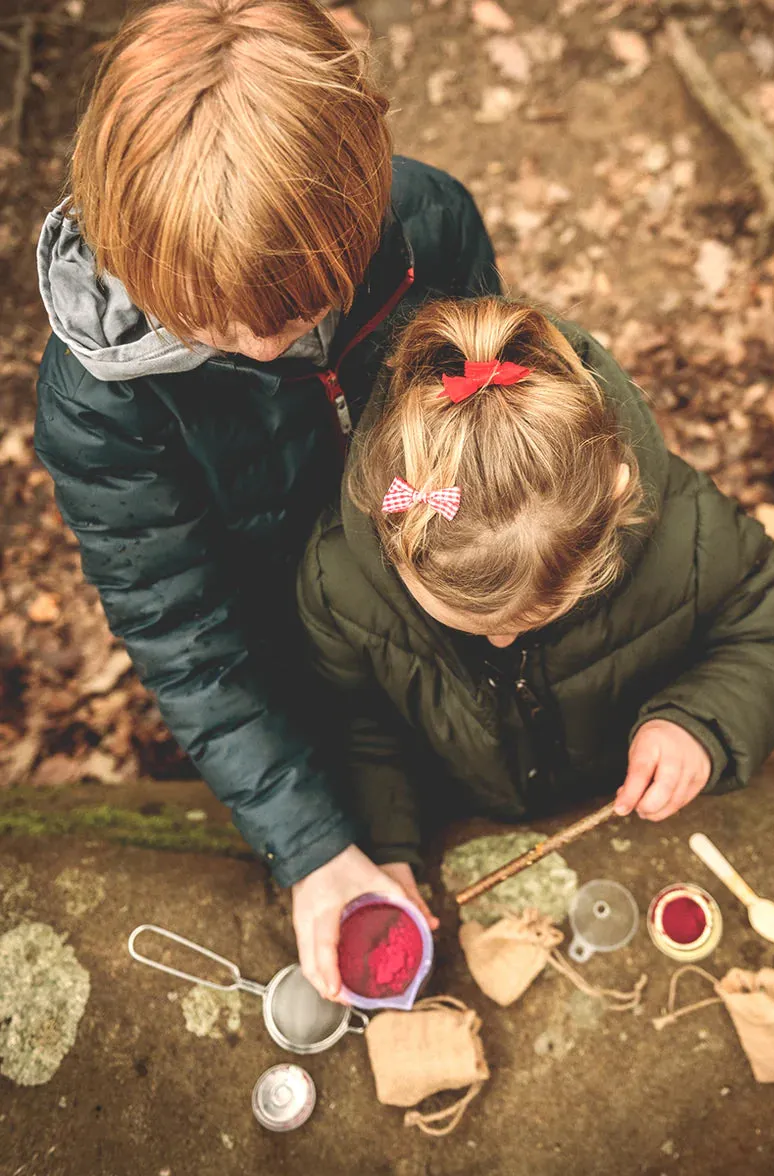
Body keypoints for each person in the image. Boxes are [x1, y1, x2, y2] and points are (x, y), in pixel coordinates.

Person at [34, 0, 500, 987]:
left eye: (296, 312)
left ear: (359, 204)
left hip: (421, 567)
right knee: (341, 762)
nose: (262, 347)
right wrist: (313, 846)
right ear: (134, 254)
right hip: (273, 631)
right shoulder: (98, 403)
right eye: (208, 324)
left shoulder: (427, 223)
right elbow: (184, 635)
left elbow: (485, 394)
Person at [298, 296, 774, 999]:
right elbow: (358, 724)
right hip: (465, 797)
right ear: (394, 537)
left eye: (533, 614)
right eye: (465, 622)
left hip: (611, 787)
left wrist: (700, 724)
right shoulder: (342, 584)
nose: (501, 640)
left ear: (613, 506)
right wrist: (390, 844)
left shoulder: (690, 539)